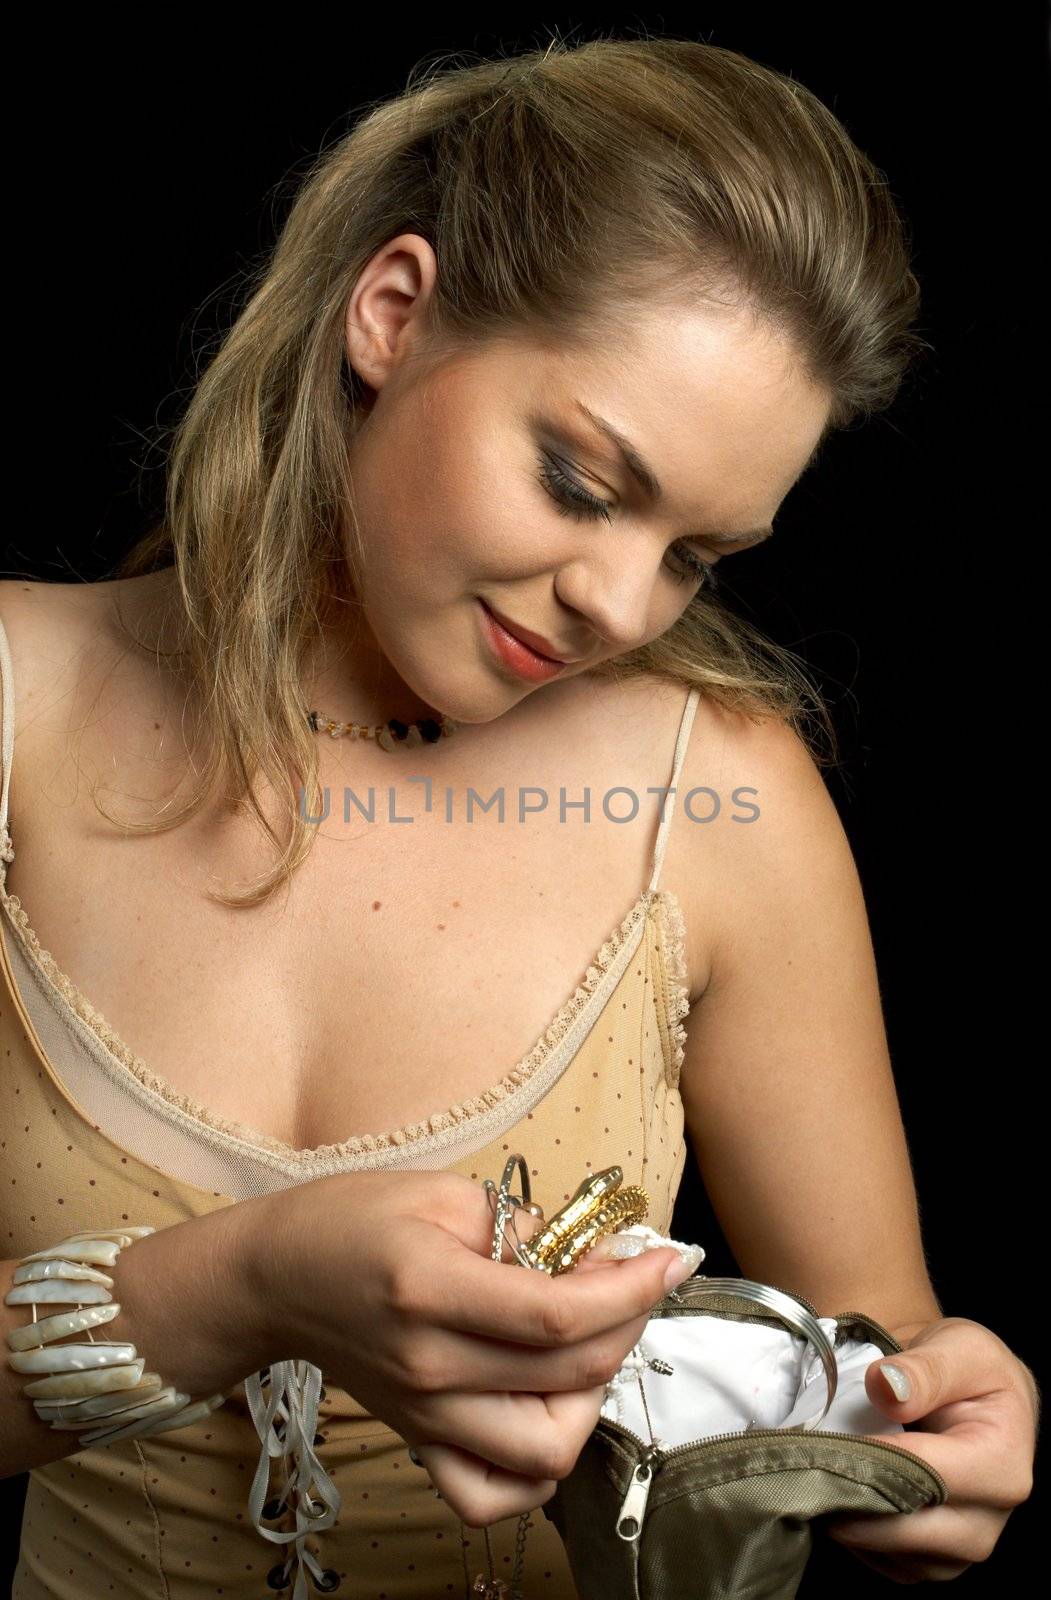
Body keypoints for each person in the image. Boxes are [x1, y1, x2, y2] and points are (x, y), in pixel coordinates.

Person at [0, 33, 1037, 1600]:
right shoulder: (12, 706)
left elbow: (870, 1405)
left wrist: (937, 1464)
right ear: (393, 314)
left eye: (699, 552)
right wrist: (246, 1285)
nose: (621, 602)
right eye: (579, 479)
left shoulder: (716, 802)